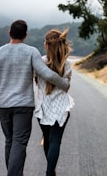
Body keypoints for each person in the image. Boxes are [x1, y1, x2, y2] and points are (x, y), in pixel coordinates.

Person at [0, 20, 70, 176]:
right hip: (23, 105)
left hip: (3, 105)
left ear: (9, 32)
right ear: (25, 35)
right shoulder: (31, 52)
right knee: (19, 142)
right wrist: (64, 84)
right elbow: (47, 74)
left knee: (9, 141)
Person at [34, 28, 74, 176]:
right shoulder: (67, 63)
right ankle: (50, 172)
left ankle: (51, 171)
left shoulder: (39, 63)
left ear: (46, 45)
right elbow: (67, 86)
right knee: (56, 141)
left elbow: (36, 81)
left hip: (43, 108)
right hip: (61, 107)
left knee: (47, 139)